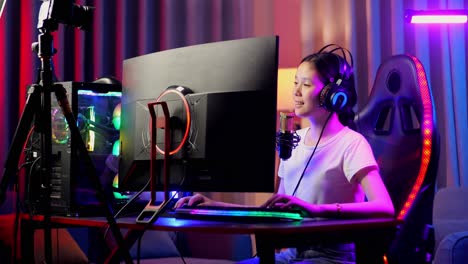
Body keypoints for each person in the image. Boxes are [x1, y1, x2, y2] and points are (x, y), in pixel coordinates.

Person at [174, 44, 395, 264]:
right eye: (295, 82)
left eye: (306, 84)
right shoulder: (293, 143)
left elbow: (385, 207)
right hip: (289, 257)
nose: (296, 92)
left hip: (331, 259)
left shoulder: (351, 144)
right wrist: (214, 205)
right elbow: (272, 213)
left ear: (331, 94)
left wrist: (316, 210)